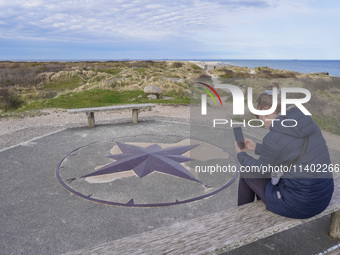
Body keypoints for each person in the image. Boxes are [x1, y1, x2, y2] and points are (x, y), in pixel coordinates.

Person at [235, 83, 334, 219]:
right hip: (323, 197)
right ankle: (258, 208)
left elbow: (260, 170)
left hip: (299, 205)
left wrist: (241, 154)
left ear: (266, 111)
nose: (262, 122)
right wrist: (256, 147)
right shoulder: (306, 123)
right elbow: (290, 149)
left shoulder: (274, 137)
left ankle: (241, 218)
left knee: (247, 173)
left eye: (259, 117)